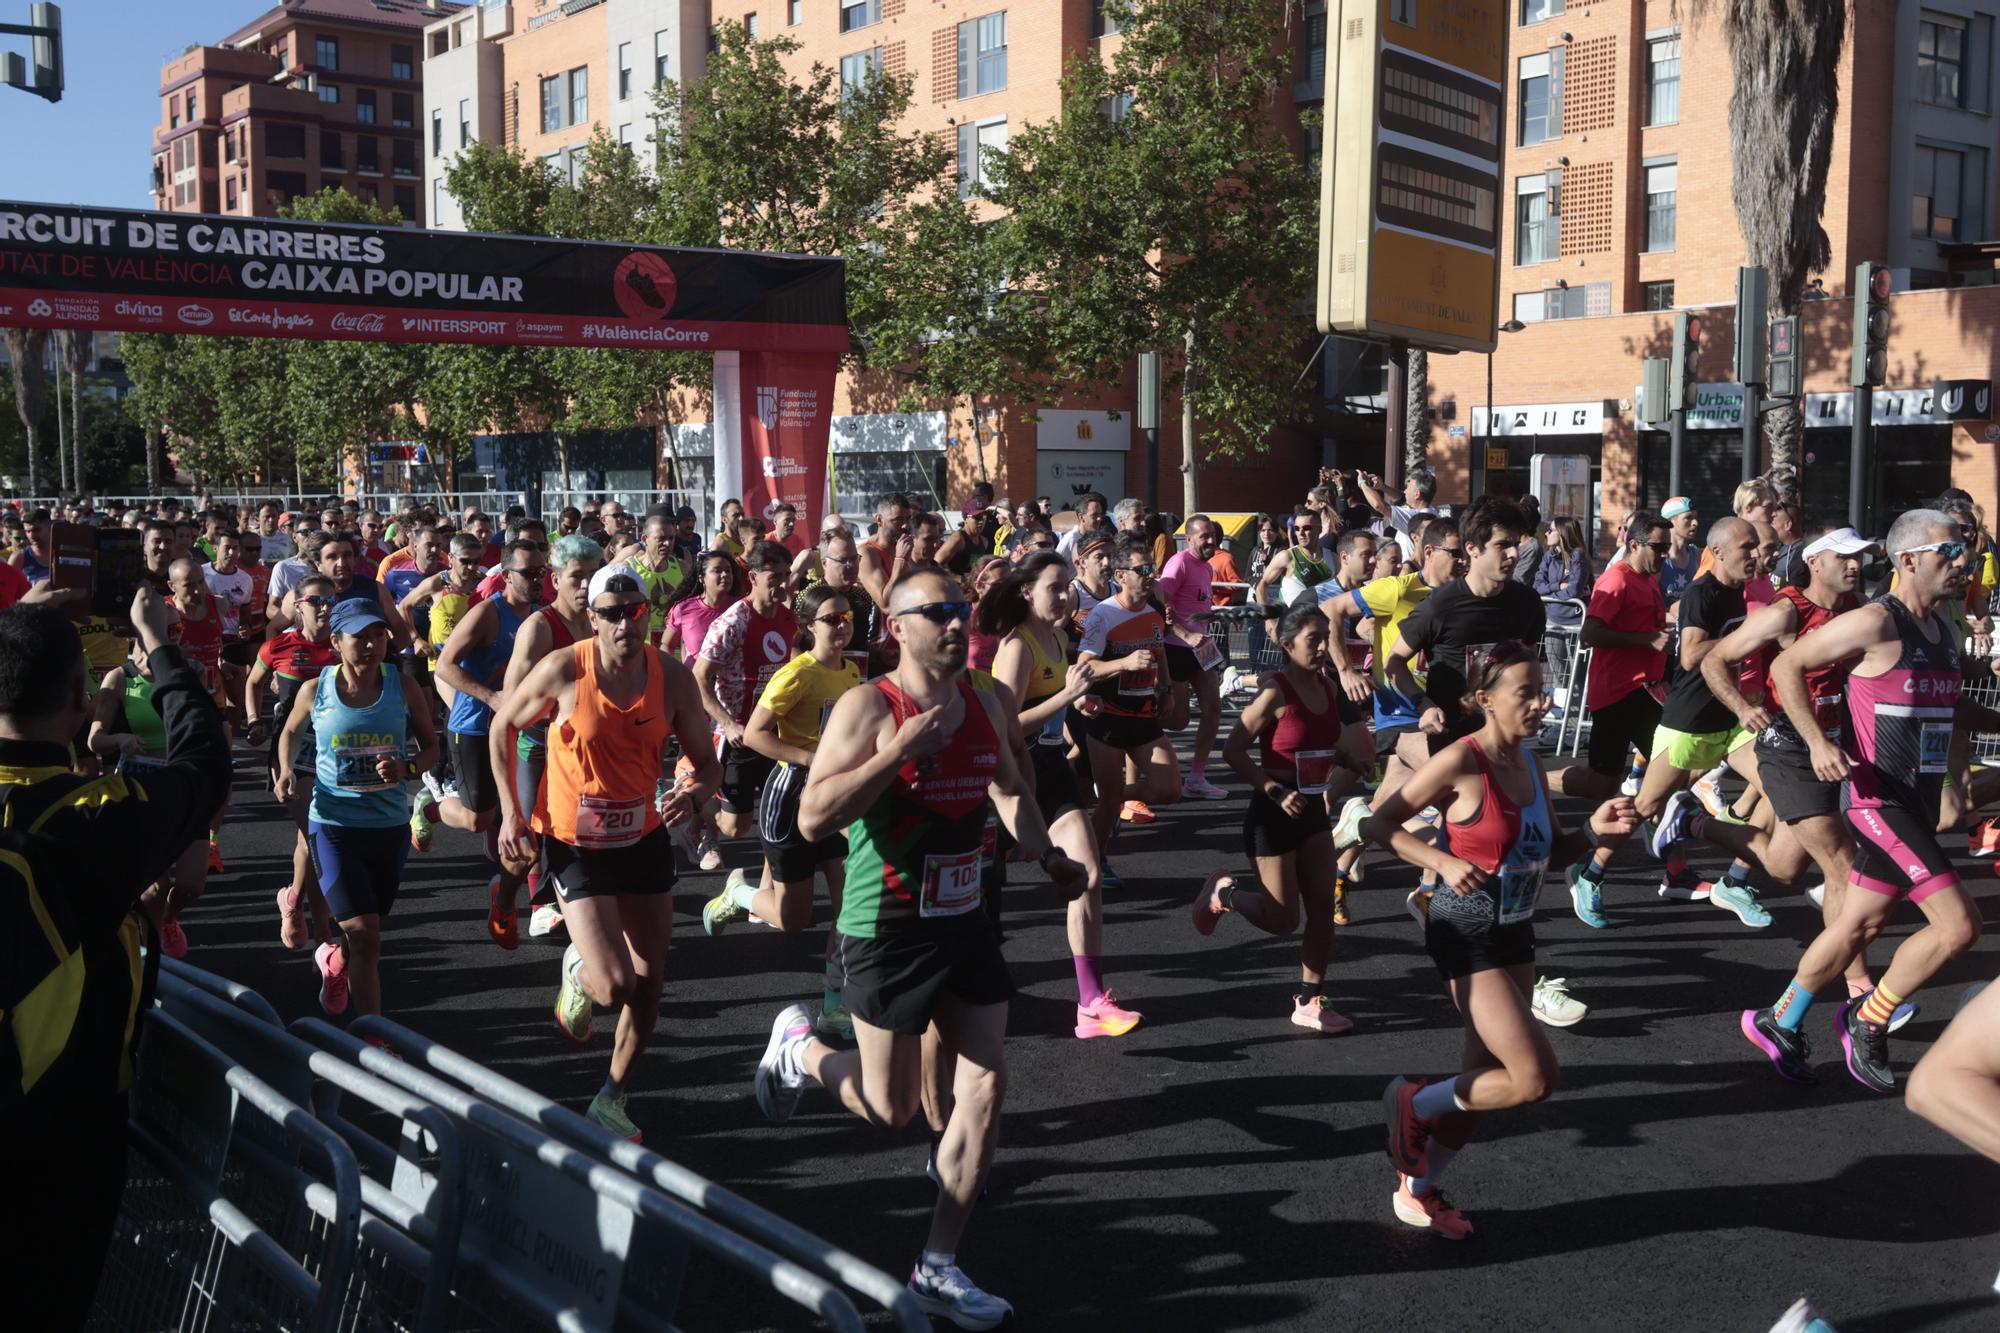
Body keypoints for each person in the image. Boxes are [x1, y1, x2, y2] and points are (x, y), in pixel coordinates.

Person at [750, 569, 1089, 1328]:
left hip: (963, 917)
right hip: (885, 926)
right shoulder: (868, 706)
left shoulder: (986, 697)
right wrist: (895, 751)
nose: (953, 621)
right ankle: (800, 1046)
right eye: (935, 611)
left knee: (987, 1086)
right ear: (896, 627)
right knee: (891, 1107)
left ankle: (937, 1263)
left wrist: (1048, 855)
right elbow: (811, 818)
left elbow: (1007, 788)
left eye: (959, 609)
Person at [0, 592, 233, 1331]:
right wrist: (157, 644)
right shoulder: (95, 814)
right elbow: (204, 760)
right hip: (58, 1137)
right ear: (79, 694)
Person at [1368, 642, 1637, 1239]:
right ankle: (1413, 1103)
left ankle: (1419, 1188)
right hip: (1462, 928)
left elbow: (1555, 854)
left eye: (1543, 689)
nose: (1542, 703)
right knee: (1533, 1077)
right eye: (1527, 692)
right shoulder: (1463, 762)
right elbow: (1377, 823)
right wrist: (1437, 857)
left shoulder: (1533, 765)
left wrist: (1597, 829)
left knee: (1483, 1079)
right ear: (1486, 699)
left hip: (1514, 927)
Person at [1732, 510, 1996, 1091]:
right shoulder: (1878, 622)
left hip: (1917, 802)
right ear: (1908, 561)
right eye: (1949, 553)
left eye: (1966, 552)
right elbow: (1787, 663)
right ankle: (1869, 1019)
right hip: (1880, 803)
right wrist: (1817, 741)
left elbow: (1950, 710)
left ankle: (1781, 1019)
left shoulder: (1944, 632)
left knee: (1857, 924)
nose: (1964, 562)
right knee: (1959, 927)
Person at [495, 563, 721, 1142]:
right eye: (612, 613)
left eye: (636, 611)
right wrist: (513, 815)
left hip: (641, 837)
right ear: (591, 619)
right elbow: (502, 728)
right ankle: (579, 968)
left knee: (650, 982)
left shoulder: (671, 677)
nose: (626, 622)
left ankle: (612, 1098)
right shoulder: (564, 669)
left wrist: (691, 795)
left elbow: (706, 762)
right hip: (575, 844)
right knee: (615, 984)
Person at [986, 551, 1142, 1039]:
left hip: (1050, 766)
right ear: (1026, 592)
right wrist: (1068, 697)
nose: (1066, 595)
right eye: (1055, 587)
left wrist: (1080, 704)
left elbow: (1056, 702)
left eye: (1069, 585)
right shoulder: (1018, 645)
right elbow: (1003, 725)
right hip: (1010, 773)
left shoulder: (1056, 636)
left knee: (1088, 873)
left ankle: (1091, 1001)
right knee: (982, 903)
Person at [1197, 604, 1374, 1031]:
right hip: (1272, 814)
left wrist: (1345, 756)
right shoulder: (1274, 691)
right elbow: (1233, 750)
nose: (1321, 648)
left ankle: (1309, 1000)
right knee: (1283, 920)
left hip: (1312, 809)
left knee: (1321, 909)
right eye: (1313, 639)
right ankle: (1225, 895)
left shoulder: (1328, 687)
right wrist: (1273, 790)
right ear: (1286, 642)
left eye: (1325, 638)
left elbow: (1316, 744)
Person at [705, 583, 864, 1031]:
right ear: (809, 626)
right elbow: (755, 734)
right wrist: (811, 758)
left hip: (836, 799)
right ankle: (737, 893)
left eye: (847, 617)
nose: (841, 625)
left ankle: (834, 1003)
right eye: (831, 619)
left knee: (848, 904)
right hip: (790, 796)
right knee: (794, 920)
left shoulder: (853, 673)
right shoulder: (798, 673)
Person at [274, 599, 437, 1021]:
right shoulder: (316, 689)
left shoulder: (403, 686)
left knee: (364, 933)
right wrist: (287, 771)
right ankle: (375, 1038)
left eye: (378, 635)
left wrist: (408, 767)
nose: (371, 644)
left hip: (388, 826)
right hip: (333, 824)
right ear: (337, 641)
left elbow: (433, 747)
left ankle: (336, 964)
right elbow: (290, 730)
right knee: (365, 935)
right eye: (360, 636)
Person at [1627, 517, 1779, 924]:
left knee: (1778, 785)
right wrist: (1750, 633)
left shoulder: (1737, 592)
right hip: (1688, 719)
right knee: (1644, 804)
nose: (1755, 555)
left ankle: (1733, 878)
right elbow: (1692, 655)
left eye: (1756, 547)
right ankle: (1589, 868)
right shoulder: (1701, 592)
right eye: (1747, 548)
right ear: (1719, 552)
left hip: (1727, 717)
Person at [416, 540, 543, 927]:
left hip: (519, 730)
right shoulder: (488, 614)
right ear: (506, 575)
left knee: (529, 814)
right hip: (472, 724)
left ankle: (537, 902)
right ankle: (431, 807)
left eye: (542, 572)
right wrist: (490, 696)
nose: (538, 579)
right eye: (528, 573)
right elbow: (444, 667)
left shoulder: (540, 616)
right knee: (476, 819)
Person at [1558, 516, 1670, 924]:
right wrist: (1646, 640)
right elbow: (1590, 633)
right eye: (1658, 546)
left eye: (1666, 546)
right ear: (1636, 544)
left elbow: (1649, 627)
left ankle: (1669, 869)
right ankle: (1533, 777)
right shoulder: (1616, 580)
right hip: (1618, 693)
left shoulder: (1649, 578)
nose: (1664, 553)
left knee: (1660, 778)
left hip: (1645, 691)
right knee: (1613, 782)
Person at [496, 535, 604, 942]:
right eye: (577, 576)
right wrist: (552, 718)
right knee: (525, 842)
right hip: (538, 745)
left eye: (593, 576)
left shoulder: (603, 621)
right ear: (555, 580)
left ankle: (547, 905)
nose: (585, 585)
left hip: (586, 749)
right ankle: (506, 898)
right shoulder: (539, 628)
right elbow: (509, 702)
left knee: (584, 833)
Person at [1076, 535, 1183, 878]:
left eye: (1152, 568)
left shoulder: (1153, 613)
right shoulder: (1102, 616)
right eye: (1142, 569)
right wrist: (1123, 664)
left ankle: (1106, 801)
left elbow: (1160, 652)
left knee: (1170, 789)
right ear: (1121, 576)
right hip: (1107, 717)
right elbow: (1084, 668)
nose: (1151, 574)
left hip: (1143, 716)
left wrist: (1165, 689)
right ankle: (1096, 862)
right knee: (1108, 804)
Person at [245, 573, 341, 951]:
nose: (324, 607)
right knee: (317, 836)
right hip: (293, 752)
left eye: (330, 600)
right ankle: (325, 936)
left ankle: (293, 898)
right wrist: (254, 720)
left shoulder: (344, 645)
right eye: (315, 600)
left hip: (335, 751)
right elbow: (254, 682)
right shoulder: (279, 646)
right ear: (297, 607)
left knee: (311, 837)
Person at [692, 540, 798, 856]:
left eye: (786, 574)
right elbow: (698, 677)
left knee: (780, 813)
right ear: (752, 577)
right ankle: (697, 806)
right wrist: (727, 724)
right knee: (736, 828)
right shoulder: (734, 621)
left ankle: (771, 887)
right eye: (774, 576)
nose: (782, 583)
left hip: (772, 732)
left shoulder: (788, 616)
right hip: (737, 736)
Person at [1159, 515, 1230, 799]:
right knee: (1177, 720)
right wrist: (1184, 633)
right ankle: (1133, 734)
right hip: (1176, 647)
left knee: (1213, 709)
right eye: (1204, 536)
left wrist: (1216, 616)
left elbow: (1195, 604)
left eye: (1212, 534)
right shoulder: (1179, 563)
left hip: (1202, 648)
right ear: (1189, 539)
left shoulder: (1207, 567)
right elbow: (1159, 601)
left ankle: (1196, 777)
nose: (1211, 540)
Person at [1251, 507, 1333, 609]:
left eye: (1306, 528)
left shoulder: (1333, 558)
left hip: (1322, 621)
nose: (1301, 533)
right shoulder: (1286, 556)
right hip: (1292, 622)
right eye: (1297, 528)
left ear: (1319, 529)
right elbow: (1261, 585)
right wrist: (1268, 619)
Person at [1532, 517, 1593, 623]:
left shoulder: (1578, 555)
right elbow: (1536, 587)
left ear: (1562, 533)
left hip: (1574, 622)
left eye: (1550, 530)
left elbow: (1573, 591)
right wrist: (1558, 586)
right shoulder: (1549, 556)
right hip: (1551, 618)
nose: (1546, 533)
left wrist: (1548, 595)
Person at [1658, 496, 1702, 607]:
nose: (1695, 523)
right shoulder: (1658, 557)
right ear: (1670, 522)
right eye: (1688, 517)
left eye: (1696, 517)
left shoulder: (1696, 555)